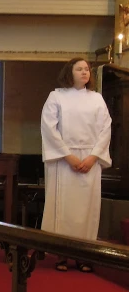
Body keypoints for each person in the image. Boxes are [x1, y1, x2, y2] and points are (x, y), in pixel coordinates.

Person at [41, 57, 112, 272]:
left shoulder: (97, 99)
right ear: (69, 72)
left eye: (87, 69)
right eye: (79, 68)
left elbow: (106, 128)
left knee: (87, 210)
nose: (84, 72)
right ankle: (62, 254)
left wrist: (93, 157)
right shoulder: (57, 96)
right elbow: (49, 128)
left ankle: (84, 255)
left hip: (90, 160)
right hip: (64, 161)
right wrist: (68, 156)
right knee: (64, 209)